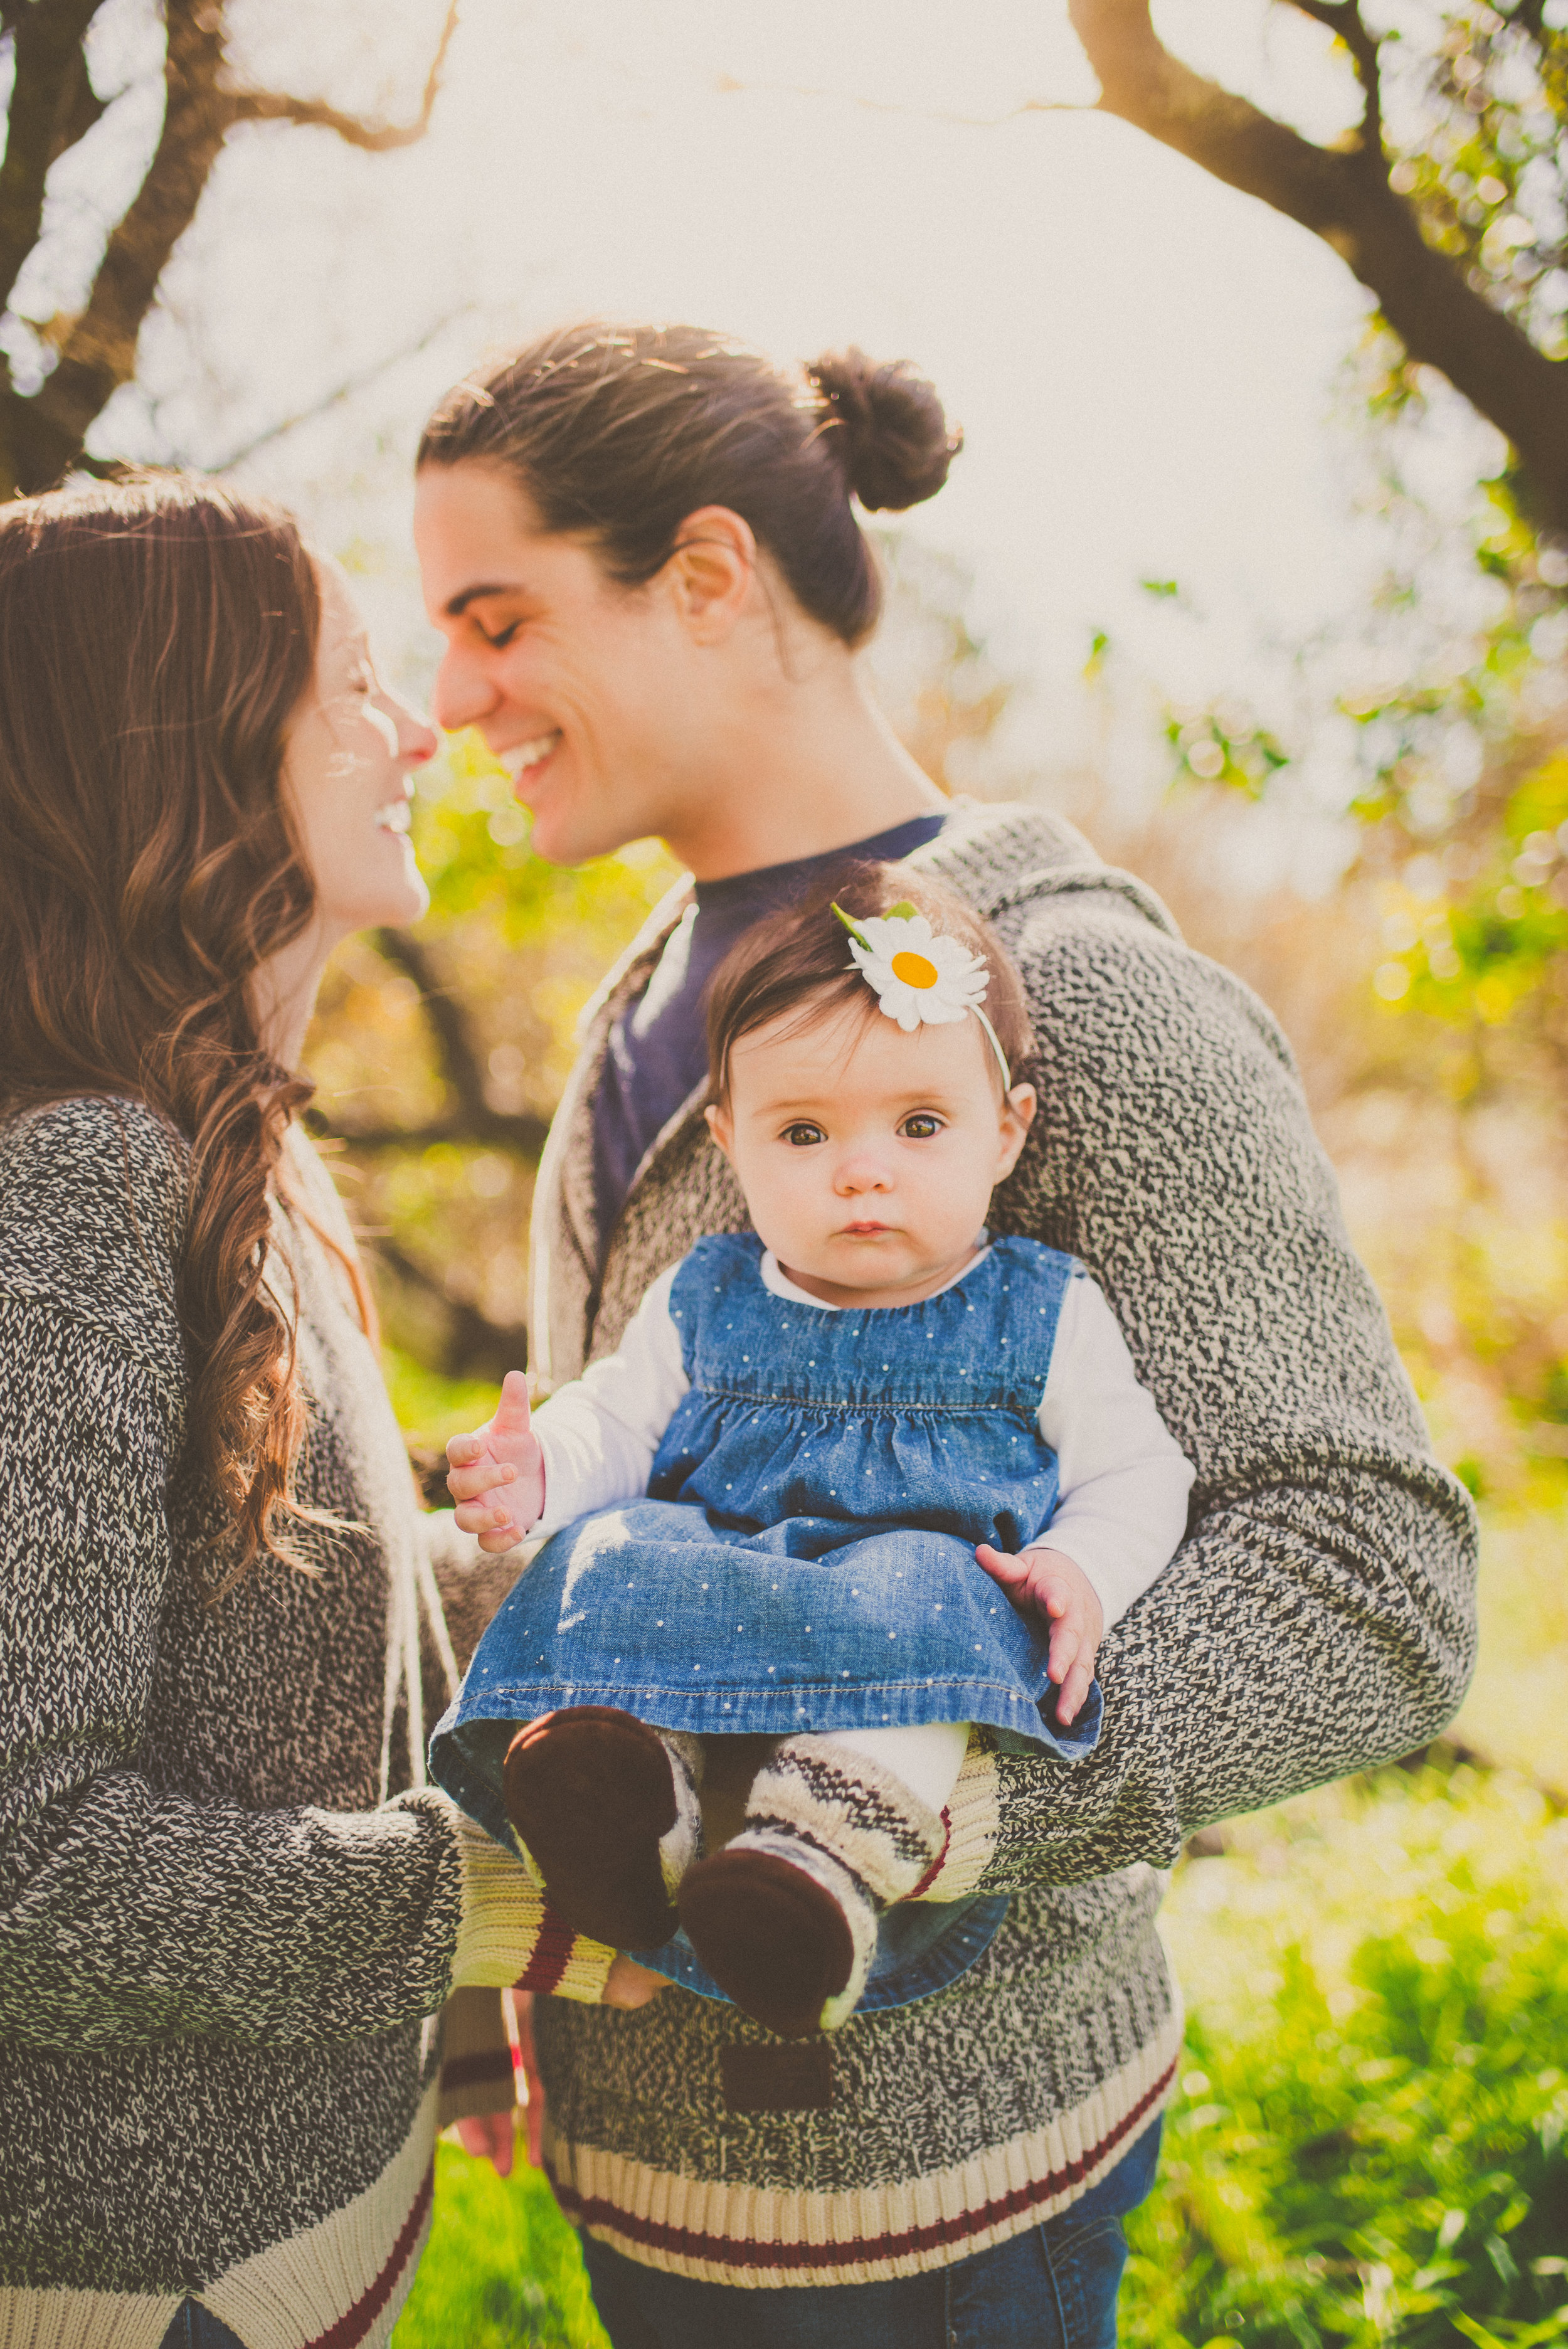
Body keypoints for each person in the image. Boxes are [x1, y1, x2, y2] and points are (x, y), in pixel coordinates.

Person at [414, 322, 1478, 2345]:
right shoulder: (637, 1020)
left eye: (495, 618)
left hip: (962, 2186)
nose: (451, 695)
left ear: (711, 578)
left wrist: (925, 1803)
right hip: (649, 2172)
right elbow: (609, 1488)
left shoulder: (1082, 998)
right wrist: (505, 1967)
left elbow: (1369, 1575)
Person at [0, 472, 654, 2349]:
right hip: (145, 2288)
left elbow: (264, 1612)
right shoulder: (80, 1192)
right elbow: (29, 1865)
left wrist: (565, 1571)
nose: (417, 729)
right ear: (193, 752)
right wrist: (508, 1905)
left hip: (296, 2236)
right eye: (351, 685)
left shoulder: (233, 1164)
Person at [437, 869, 1193, 2042]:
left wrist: (1082, 1568)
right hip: (709, 1593)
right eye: (804, 1132)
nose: (862, 1170)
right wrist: (541, 1464)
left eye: (920, 1125)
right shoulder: (708, 1294)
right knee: (615, 1549)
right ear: (732, 1143)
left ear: (1008, 1131)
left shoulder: (1040, 1313)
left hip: (904, 1614)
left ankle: (810, 1874)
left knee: (950, 1605)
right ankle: (628, 1803)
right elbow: (620, 1424)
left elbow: (1140, 1474)